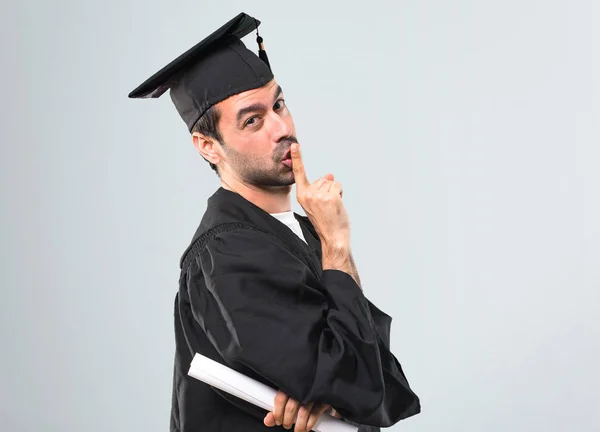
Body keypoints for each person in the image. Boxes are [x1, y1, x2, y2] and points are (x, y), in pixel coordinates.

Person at [129, 12, 421, 432]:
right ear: (208, 146)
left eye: (279, 104)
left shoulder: (301, 232)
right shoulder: (226, 253)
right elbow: (362, 387)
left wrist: (339, 397)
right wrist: (337, 245)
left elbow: (386, 392)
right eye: (253, 120)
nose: (283, 128)